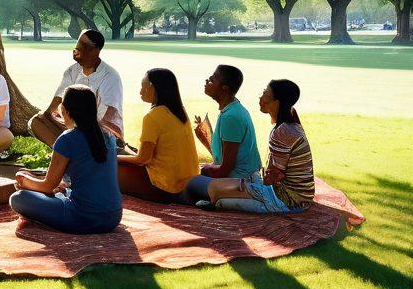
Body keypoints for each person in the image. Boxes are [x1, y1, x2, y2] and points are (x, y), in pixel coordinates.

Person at [10, 85, 122, 234]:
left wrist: (23, 179)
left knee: (18, 198)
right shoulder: (109, 136)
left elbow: (48, 186)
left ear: (63, 110)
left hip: (81, 218)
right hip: (113, 217)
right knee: (62, 190)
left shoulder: (67, 139)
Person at [207, 80, 315, 214]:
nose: (260, 98)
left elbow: (275, 176)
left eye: (265, 94)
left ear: (277, 102)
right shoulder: (290, 121)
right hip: (296, 196)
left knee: (218, 195)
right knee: (218, 189)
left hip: (286, 199)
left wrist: (253, 188)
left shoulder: (283, 132)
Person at [29, 30, 124, 147]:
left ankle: (72, 154)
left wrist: (85, 130)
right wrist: (47, 114)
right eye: (78, 45)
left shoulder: (110, 76)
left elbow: (109, 114)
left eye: (85, 47)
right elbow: (59, 97)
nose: (78, 51)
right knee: (37, 122)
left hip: (100, 131)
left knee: (87, 137)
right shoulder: (72, 71)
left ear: (96, 51)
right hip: (74, 126)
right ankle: (68, 153)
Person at [117, 68, 199, 202]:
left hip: (165, 187)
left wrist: (116, 158)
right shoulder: (179, 112)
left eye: (143, 84)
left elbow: (144, 159)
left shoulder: (153, 116)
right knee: (120, 153)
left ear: (151, 87)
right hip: (187, 181)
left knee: (109, 165)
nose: (140, 90)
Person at [184, 64, 263, 203]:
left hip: (241, 183)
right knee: (197, 173)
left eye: (213, 79)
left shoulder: (231, 117)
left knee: (190, 182)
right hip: (241, 177)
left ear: (224, 88)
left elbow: (225, 169)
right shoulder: (232, 109)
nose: (207, 80)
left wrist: (206, 170)